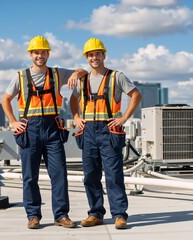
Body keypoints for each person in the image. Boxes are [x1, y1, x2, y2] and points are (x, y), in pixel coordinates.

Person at [2, 35, 87, 229]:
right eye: (36, 52)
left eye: (43, 52)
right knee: (29, 176)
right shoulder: (21, 77)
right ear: (31, 55)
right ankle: (33, 216)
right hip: (29, 129)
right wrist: (13, 121)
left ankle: (61, 215)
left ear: (48, 54)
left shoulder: (57, 74)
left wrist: (75, 74)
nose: (40, 55)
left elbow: (83, 71)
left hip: (52, 130)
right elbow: (5, 99)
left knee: (59, 174)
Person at [70, 38, 142, 229]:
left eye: (97, 54)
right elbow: (72, 99)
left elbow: (136, 95)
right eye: (90, 55)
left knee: (113, 174)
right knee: (90, 175)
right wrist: (76, 116)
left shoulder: (116, 76)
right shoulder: (82, 79)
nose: (94, 57)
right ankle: (95, 214)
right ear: (86, 57)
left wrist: (124, 118)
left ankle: (119, 215)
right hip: (88, 131)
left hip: (109, 130)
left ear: (103, 55)